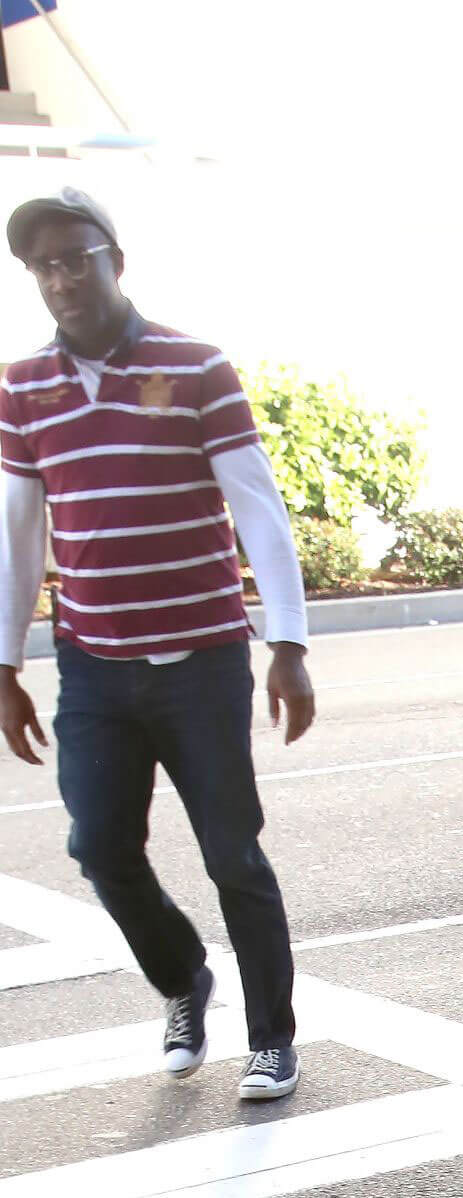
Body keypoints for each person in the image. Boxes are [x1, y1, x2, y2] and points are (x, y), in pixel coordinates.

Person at [0, 187, 313, 1100]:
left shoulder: (195, 365)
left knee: (232, 855)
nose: (60, 276)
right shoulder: (22, 388)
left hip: (202, 664)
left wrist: (287, 643)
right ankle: (184, 979)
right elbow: (20, 532)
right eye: (42, 264)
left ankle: (272, 1038)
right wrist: (6, 663)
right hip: (95, 668)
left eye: (75, 257)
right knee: (99, 847)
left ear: (115, 260)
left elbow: (258, 508)